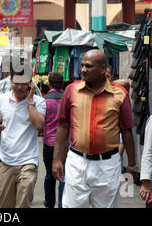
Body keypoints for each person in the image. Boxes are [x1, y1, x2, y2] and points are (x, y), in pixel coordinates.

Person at [52, 49, 137, 208]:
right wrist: (57, 159)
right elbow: (63, 126)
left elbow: (127, 131)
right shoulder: (71, 90)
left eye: (88, 66)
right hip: (76, 162)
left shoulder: (120, 95)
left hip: (107, 165)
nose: (83, 69)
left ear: (103, 69)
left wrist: (131, 165)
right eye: (82, 65)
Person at [0, 64, 46, 208]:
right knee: (5, 204)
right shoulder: (2, 99)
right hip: (6, 160)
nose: (20, 87)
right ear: (11, 80)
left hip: (28, 161)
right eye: (16, 83)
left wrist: (30, 101)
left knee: (23, 203)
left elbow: (39, 126)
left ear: (30, 83)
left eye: (24, 83)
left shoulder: (39, 102)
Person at [0, 61, 42, 146]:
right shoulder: (33, 85)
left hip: (15, 130)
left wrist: (0, 120)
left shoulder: (1, 84)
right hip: (15, 130)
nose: (20, 87)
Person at [42, 72, 65, 208]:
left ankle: (49, 203)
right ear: (62, 84)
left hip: (49, 143)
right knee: (64, 175)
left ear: (49, 84)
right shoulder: (67, 99)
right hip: (65, 145)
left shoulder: (44, 100)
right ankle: (63, 204)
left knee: (49, 174)